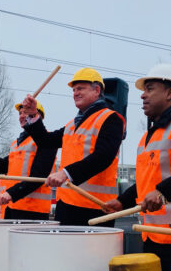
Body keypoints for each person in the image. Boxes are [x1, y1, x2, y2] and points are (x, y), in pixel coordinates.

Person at [104, 64, 171, 270]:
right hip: (155, 239)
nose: (142, 96)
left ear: (169, 92)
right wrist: (123, 201)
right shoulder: (150, 135)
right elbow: (148, 181)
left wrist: (163, 192)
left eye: (149, 88)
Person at [21, 68, 125, 226]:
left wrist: (66, 173)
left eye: (80, 88)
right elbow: (46, 141)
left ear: (97, 90)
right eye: (74, 90)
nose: (75, 93)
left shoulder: (111, 119)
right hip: (66, 205)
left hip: (94, 208)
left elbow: (104, 156)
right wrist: (33, 115)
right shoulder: (72, 125)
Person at [0, 101, 57, 220]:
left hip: (32, 210)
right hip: (13, 206)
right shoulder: (17, 143)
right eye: (20, 113)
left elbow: (38, 176)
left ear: (36, 115)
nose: (22, 116)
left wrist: (12, 193)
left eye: (26, 112)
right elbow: (4, 167)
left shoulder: (47, 140)